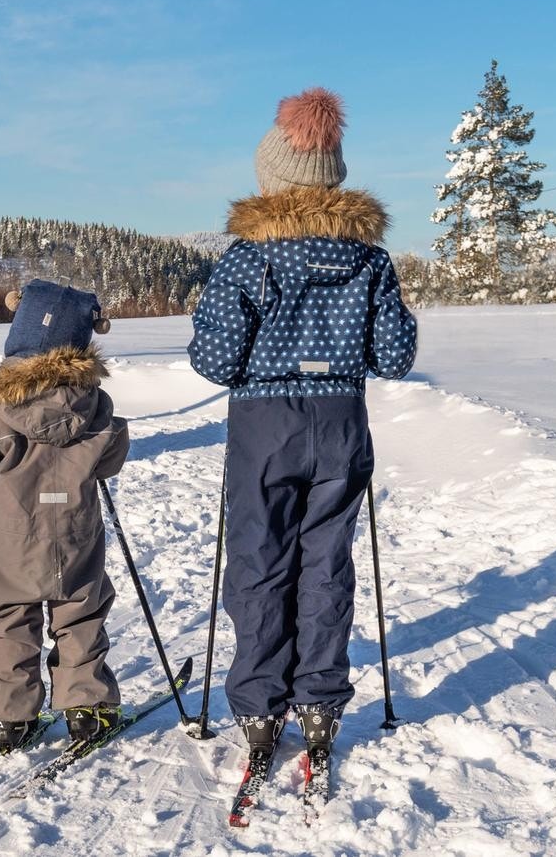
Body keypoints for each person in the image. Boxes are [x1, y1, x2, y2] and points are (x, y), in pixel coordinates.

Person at [188, 87, 417, 767]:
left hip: (266, 422)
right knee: (326, 561)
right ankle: (319, 702)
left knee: (261, 563)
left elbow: (216, 359)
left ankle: (260, 709)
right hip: (341, 420)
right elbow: (395, 356)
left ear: (272, 182)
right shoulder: (370, 261)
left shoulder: (248, 259)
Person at [0, 279, 130, 753]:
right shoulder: (94, 404)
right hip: (76, 528)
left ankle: (12, 718)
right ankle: (87, 708)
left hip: (11, 535)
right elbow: (110, 460)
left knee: (11, 620)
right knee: (80, 614)